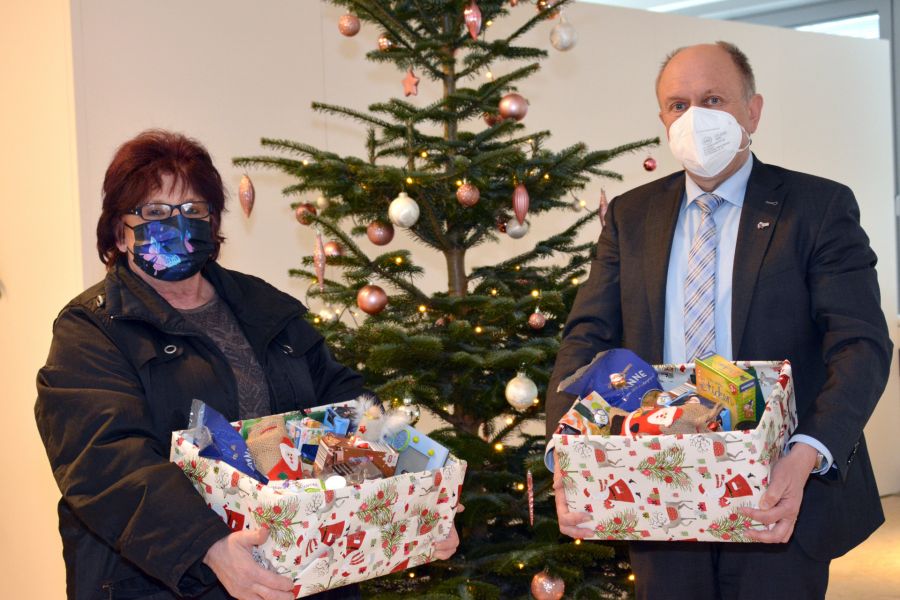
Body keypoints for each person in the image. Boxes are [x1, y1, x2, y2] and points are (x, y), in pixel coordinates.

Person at [35, 130, 460, 600]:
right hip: (160, 582)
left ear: (213, 221)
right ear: (119, 229)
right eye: (155, 211)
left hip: (303, 572)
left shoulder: (262, 304)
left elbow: (347, 405)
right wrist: (210, 547)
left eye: (194, 210)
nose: (178, 223)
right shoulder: (91, 330)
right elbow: (107, 464)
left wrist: (410, 498)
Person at [546, 42, 892, 599]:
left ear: (752, 112)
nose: (695, 118)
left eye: (713, 100)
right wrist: (568, 454)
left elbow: (861, 345)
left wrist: (807, 454)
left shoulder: (818, 207)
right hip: (656, 492)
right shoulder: (632, 217)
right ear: (662, 118)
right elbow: (586, 340)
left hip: (781, 496)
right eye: (678, 105)